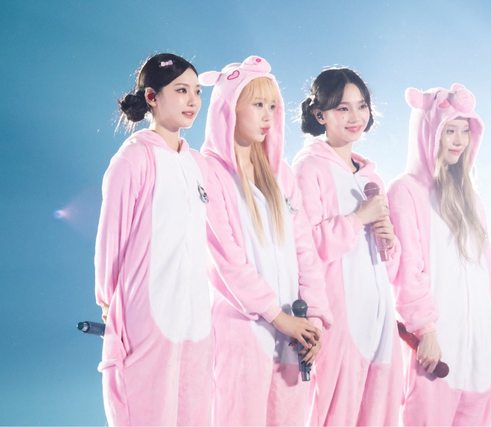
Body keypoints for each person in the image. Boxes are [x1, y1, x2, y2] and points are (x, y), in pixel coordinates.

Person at [199, 55, 332, 426]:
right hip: (243, 332)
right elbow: (226, 260)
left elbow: (306, 253)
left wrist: (314, 320)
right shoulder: (208, 172)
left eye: (273, 106)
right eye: (258, 104)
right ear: (229, 109)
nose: (268, 116)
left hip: (294, 334)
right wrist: (277, 316)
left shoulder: (281, 176)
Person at [94, 53, 213, 425]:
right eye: (181, 90)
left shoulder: (197, 164)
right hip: (147, 313)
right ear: (151, 97)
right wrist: (109, 304)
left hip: (196, 315)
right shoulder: (133, 159)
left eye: (197, 91)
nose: (192, 100)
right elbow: (111, 239)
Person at [388, 83, 491, 426]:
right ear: (429, 133)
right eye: (449, 130)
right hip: (436, 351)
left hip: (479, 357)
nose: (458, 140)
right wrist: (425, 330)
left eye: (465, 131)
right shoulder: (405, 191)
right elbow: (407, 271)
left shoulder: (472, 201)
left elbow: (487, 278)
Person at [292, 67, 403, 426]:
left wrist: (389, 240)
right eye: (342, 108)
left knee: (382, 412)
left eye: (361, 106)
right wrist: (358, 218)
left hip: (379, 312)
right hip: (341, 311)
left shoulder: (371, 175)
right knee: (337, 410)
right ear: (319, 115)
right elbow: (305, 245)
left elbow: (387, 263)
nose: (355, 117)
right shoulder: (309, 168)